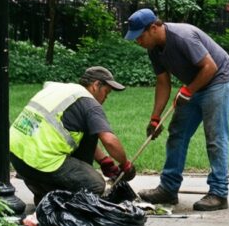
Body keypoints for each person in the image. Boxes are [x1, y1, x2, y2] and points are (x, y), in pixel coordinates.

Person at [125, 8, 229, 211]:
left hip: (218, 80)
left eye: (140, 37)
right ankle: (168, 188)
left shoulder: (182, 36)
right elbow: (162, 83)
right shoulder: (154, 49)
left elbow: (209, 67)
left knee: (215, 137)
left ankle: (219, 193)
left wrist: (188, 90)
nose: (138, 42)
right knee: (177, 133)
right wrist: (155, 117)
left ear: (153, 28)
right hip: (195, 84)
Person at [9, 66, 136, 205]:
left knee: (90, 128)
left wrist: (104, 161)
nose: (106, 97)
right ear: (96, 85)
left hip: (16, 156)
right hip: (40, 162)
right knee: (95, 184)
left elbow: (75, 133)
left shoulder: (59, 89)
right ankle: (61, 202)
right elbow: (109, 140)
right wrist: (125, 164)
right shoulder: (90, 104)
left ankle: (44, 192)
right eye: (106, 92)